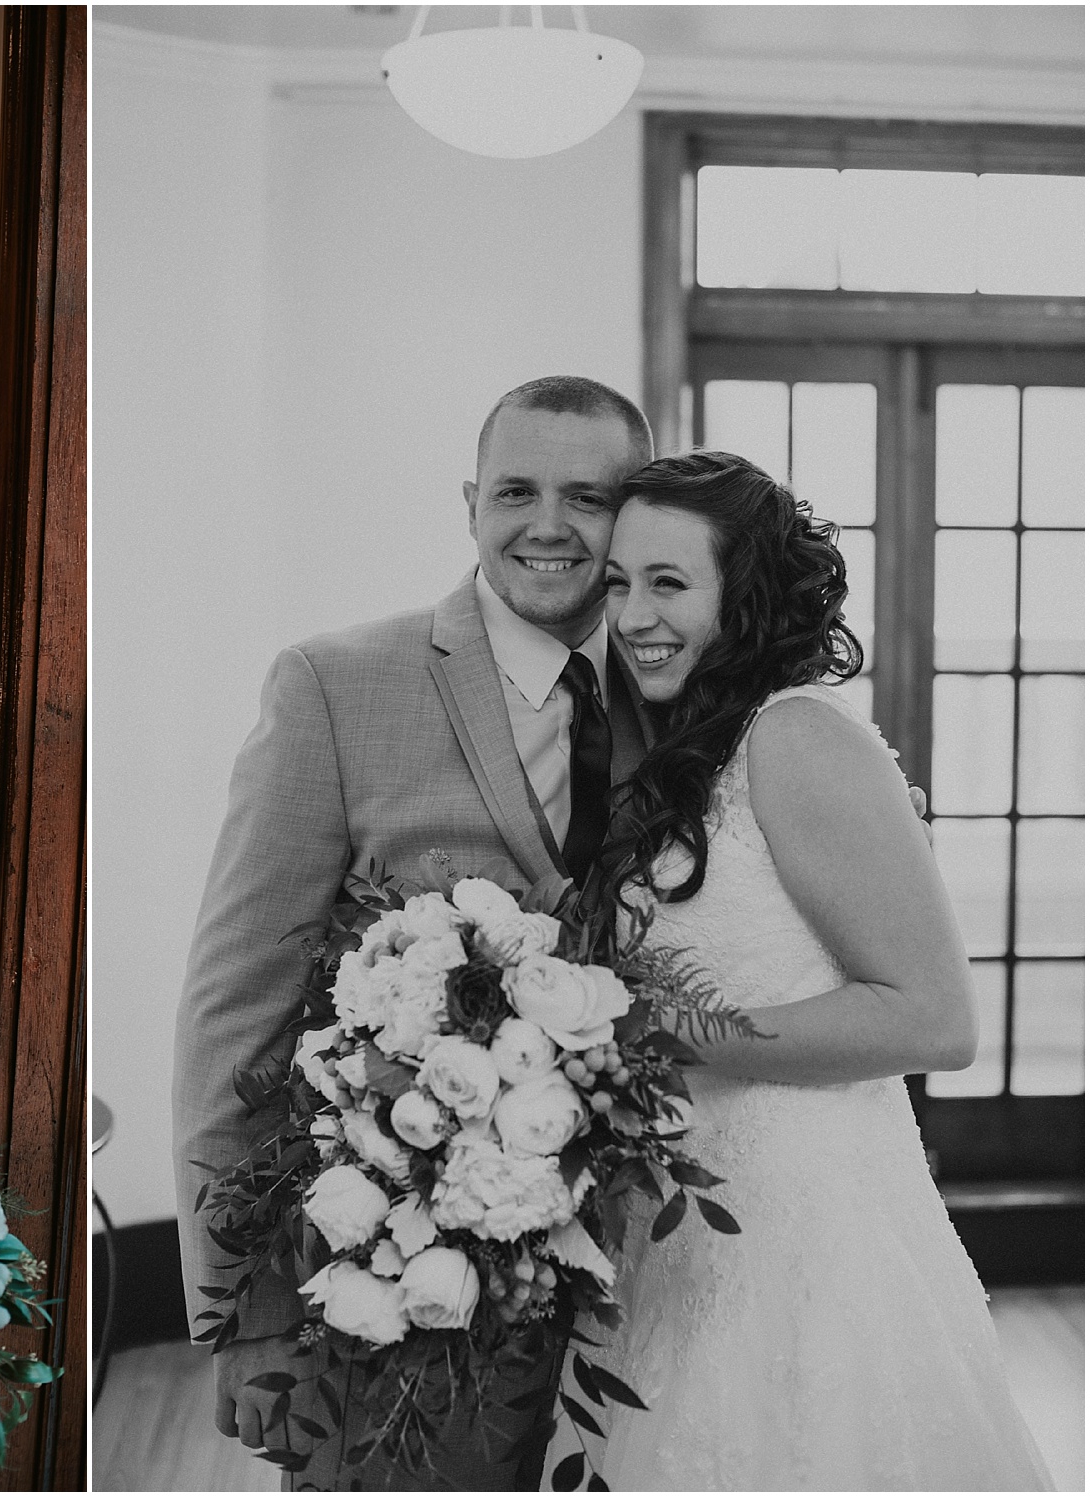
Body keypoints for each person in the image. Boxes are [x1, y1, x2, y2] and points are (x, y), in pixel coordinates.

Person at [174, 376, 655, 1489]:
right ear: (468, 503)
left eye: (586, 498)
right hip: (392, 1285)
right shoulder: (335, 685)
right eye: (515, 491)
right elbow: (232, 1006)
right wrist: (237, 1307)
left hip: (640, 1297)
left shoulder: (684, 692)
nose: (548, 524)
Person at [565, 450, 1052, 1490]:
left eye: (667, 582)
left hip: (805, 1236)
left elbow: (930, 1020)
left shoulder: (795, 740)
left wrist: (662, 1037)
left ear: (737, 598)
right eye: (617, 582)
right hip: (668, 1232)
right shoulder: (662, 752)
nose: (635, 614)